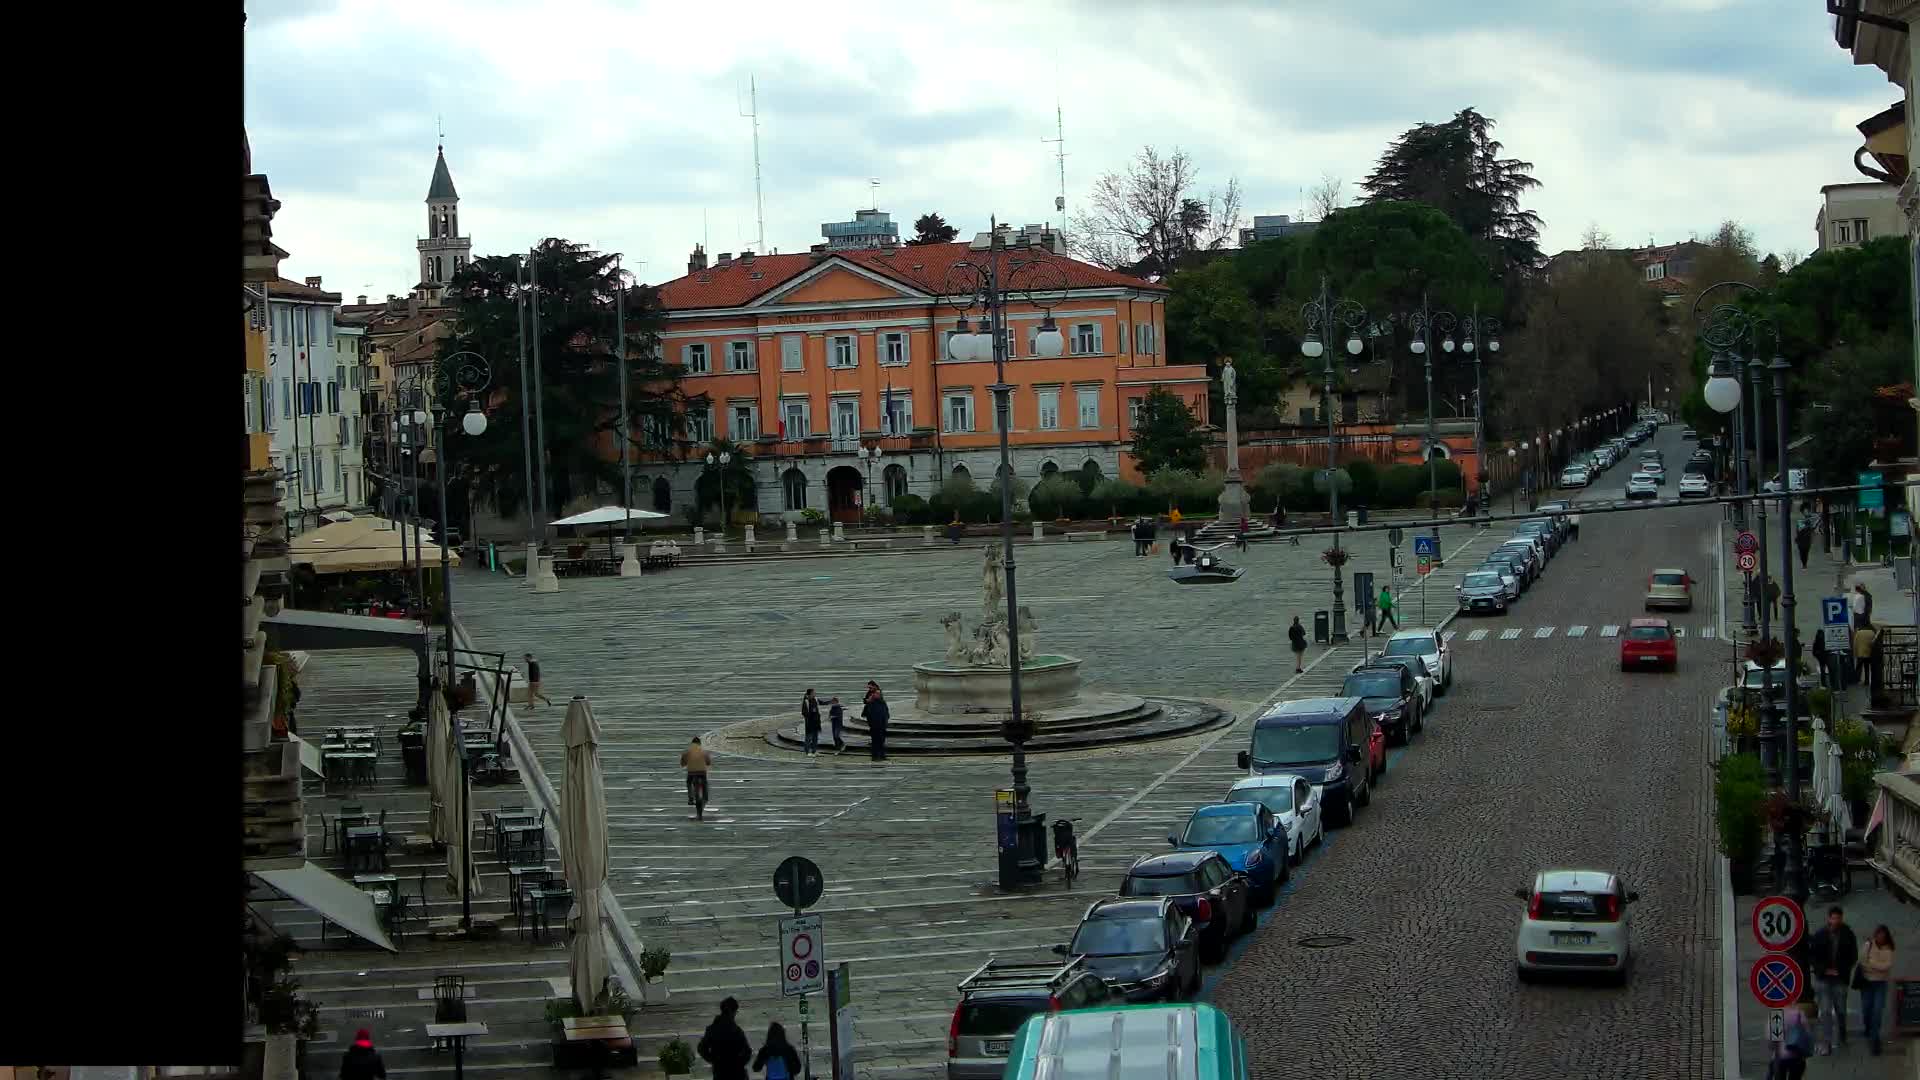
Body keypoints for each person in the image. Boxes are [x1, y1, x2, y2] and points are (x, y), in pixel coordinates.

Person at [1808, 905, 1859, 1053]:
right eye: (1834, 917)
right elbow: (1812, 956)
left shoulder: (1848, 934)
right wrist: (1824, 970)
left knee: (1841, 1010)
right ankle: (1826, 1042)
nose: (1836, 920)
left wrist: (1841, 970)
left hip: (1840, 978)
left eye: (1839, 918)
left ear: (1842, 918)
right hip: (1823, 979)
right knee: (1825, 1011)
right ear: (1829, 918)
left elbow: (1853, 956)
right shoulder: (1820, 935)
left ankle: (1842, 1034)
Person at [1858, 924, 1896, 1055]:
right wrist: (1874, 965)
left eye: (1883, 935)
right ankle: (1868, 1028)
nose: (1880, 937)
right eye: (1878, 935)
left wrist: (1872, 963)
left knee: (1878, 1010)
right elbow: (1862, 961)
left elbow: (1887, 966)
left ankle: (1875, 1039)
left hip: (1880, 984)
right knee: (1866, 1008)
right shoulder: (1868, 945)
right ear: (1875, 935)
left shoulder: (1889, 948)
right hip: (1867, 983)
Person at [698, 997, 754, 1080]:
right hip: (736, 1073)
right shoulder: (736, 1030)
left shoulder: (712, 1029)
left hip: (719, 1072)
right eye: (735, 1012)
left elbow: (702, 1048)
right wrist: (739, 1064)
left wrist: (714, 1060)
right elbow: (747, 1051)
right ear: (732, 1012)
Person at [1771, 1004, 1813, 1078]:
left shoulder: (1777, 1014)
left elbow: (1774, 1040)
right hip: (1797, 1055)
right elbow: (1808, 1034)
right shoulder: (1799, 1013)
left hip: (1781, 1057)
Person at [680, 737, 712, 811]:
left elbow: (682, 763)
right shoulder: (703, 751)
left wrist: (684, 764)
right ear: (699, 743)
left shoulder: (687, 752)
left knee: (689, 782)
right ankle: (705, 797)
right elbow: (708, 762)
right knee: (705, 783)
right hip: (702, 772)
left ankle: (691, 798)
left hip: (691, 772)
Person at [862, 680, 890, 762]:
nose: (870, 689)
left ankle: (881, 755)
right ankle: (876, 756)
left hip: (880, 723)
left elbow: (885, 714)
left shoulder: (881, 703)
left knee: (880, 739)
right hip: (875, 723)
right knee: (876, 739)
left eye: (871, 687)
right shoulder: (872, 704)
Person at [1853, 623, 1876, 692]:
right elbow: (1874, 642)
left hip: (1860, 653)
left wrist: (1855, 653)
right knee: (1867, 668)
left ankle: (1855, 680)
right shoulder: (1872, 633)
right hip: (1869, 653)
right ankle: (1867, 681)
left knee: (1858, 667)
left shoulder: (1859, 633)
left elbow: (1855, 643)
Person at [800, 689, 823, 758]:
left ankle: (814, 751)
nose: (814, 694)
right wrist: (810, 716)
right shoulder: (806, 701)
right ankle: (807, 752)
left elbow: (822, 702)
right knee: (808, 737)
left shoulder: (815, 699)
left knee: (815, 737)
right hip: (810, 723)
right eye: (813, 693)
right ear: (809, 694)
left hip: (816, 722)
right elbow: (804, 712)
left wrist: (831, 701)